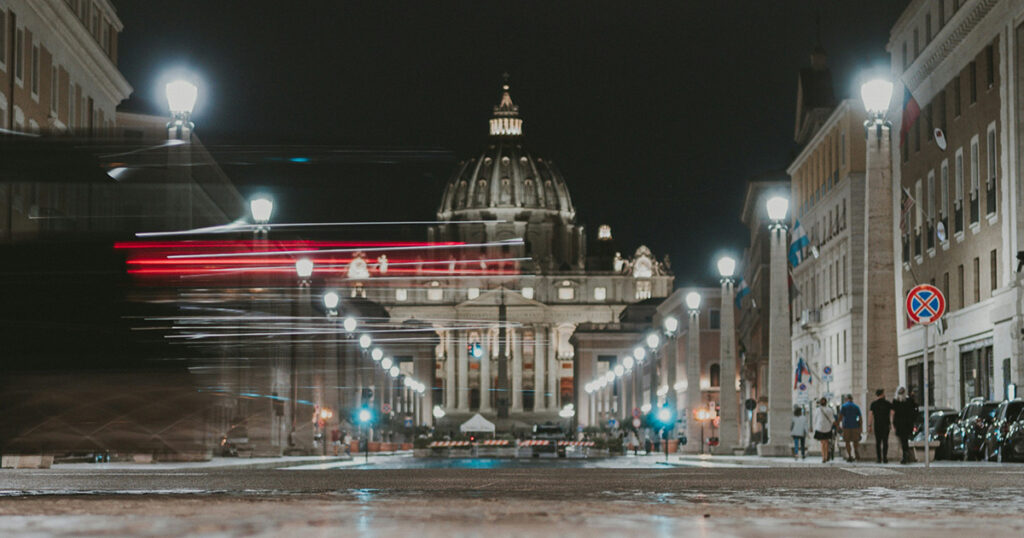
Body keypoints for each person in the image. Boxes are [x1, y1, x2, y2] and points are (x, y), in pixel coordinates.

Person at [892, 386, 917, 464]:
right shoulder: (909, 400)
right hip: (907, 423)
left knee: (903, 440)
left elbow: (893, 413)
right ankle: (906, 455)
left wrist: (893, 424)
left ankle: (905, 455)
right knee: (904, 440)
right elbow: (915, 409)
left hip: (900, 424)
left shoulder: (896, 401)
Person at [868, 389, 893, 463]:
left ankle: (879, 458)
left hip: (877, 425)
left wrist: (869, 425)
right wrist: (891, 423)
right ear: (882, 394)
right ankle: (885, 458)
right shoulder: (887, 403)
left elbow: (870, 415)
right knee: (885, 441)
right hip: (886, 425)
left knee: (878, 442)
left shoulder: (873, 404)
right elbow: (892, 413)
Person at [838, 394, 862, 462]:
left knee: (847, 441)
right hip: (855, 426)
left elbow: (840, 416)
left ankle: (849, 456)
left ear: (846, 399)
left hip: (846, 426)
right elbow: (860, 418)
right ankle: (856, 450)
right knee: (855, 441)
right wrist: (860, 427)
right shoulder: (856, 407)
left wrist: (838, 425)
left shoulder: (844, 406)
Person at [812, 397, 836, 463]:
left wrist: (814, 427)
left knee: (822, 443)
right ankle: (825, 456)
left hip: (820, 428)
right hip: (828, 428)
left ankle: (824, 457)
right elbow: (832, 419)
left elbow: (815, 419)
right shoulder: (830, 410)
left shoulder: (817, 410)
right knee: (826, 443)